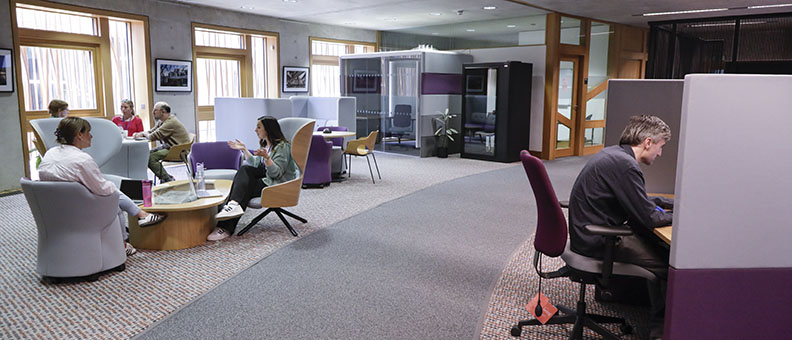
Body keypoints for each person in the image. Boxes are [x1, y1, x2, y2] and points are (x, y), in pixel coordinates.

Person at [568, 114, 673, 340]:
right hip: (598, 241)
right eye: (661, 146)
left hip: (585, 232)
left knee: (658, 248)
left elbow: (636, 202)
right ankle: (661, 331)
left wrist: (665, 204)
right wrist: (681, 214)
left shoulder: (613, 154)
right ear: (647, 142)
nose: (660, 153)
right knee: (669, 264)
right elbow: (650, 219)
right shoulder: (625, 166)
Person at [38, 117, 166, 256]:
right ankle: (124, 242)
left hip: (53, 210)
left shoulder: (50, 153)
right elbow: (104, 190)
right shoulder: (82, 160)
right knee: (113, 197)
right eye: (88, 132)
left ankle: (141, 215)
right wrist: (111, 185)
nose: (91, 136)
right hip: (81, 212)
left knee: (109, 187)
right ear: (79, 135)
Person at [207, 116, 299, 241]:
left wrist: (267, 158)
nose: (255, 130)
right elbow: (256, 164)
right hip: (268, 178)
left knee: (243, 190)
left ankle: (226, 225)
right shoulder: (267, 145)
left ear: (268, 129)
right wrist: (244, 149)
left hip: (277, 184)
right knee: (245, 170)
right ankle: (233, 206)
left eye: (259, 127)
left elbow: (276, 174)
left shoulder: (283, 147)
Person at [132, 102, 191, 183]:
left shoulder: (170, 123)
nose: (153, 112)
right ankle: (166, 176)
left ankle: (167, 179)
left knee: (150, 158)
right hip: (170, 147)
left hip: (178, 150)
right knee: (147, 154)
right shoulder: (163, 121)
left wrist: (144, 134)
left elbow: (152, 136)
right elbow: (152, 131)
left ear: (163, 111)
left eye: (155, 110)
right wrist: (141, 134)